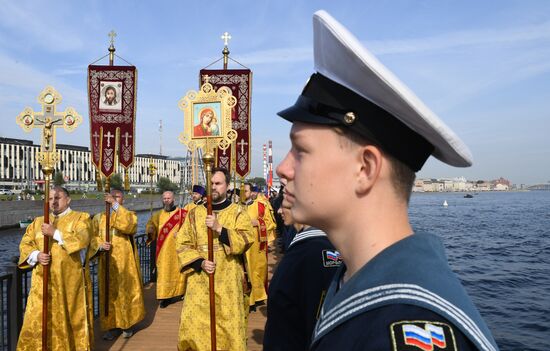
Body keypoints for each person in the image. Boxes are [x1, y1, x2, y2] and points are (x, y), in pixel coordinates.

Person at [275, 10, 499, 351]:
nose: (282, 169)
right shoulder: (361, 286)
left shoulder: (399, 330)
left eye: (300, 151)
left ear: (365, 169)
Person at [176, 167, 255, 351]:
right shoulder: (194, 213)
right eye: (211, 183)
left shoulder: (237, 212)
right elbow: (182, 243)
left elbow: (247, 239)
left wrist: (220, 229)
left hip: (228, 279)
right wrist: (200, 262)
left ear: (227, 186)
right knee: (194, 326)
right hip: (200, 278)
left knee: (228, 326)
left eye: (218, 183)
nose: (214, 187)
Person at [17, 186, 94, 350]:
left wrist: (55, 233)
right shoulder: (38, 222)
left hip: (69, 284)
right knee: (38, 322)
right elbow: (25, 244)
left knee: (68, 321)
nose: (54, 202)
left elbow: (82, 239)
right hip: (41, 284)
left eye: (58, 198)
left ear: (68, 200)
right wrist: (36, 255)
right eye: (50, 199)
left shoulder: (81, 218)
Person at [263, 204, 341, 350]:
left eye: (285, 203)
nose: (279, 210)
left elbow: (315, 317)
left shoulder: (311, 252)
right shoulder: (304, 248)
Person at [90, 190, 145, 340]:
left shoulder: (129, 214)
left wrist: (114, 205)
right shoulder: (98, 218)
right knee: (109, 295)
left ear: (123, 200)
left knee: (125, 293)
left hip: (124, 263)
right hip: (106, 262)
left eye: (117, 197)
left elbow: (129, 226)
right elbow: (91, 237)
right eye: (111, 197)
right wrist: (100, 245)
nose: (113, 199)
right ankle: (111, 326)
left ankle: (127, 324)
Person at [146, 191, 186, 308]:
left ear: (173, 199)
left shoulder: (182, 214)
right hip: (163, 251)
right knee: (163, 273)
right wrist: (150, 229)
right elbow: (150, 224)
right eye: (164, 198)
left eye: (169, 198)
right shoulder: (158, 215)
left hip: (177, 250)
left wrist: (180, 234)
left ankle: (179, 292)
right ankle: (164, 297)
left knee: (178, 272)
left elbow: (189, 230)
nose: (166, 200)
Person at [243, 182, 275, 310]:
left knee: (256, 269)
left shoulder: (261, 206)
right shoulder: (235, 207)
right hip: (241, 243)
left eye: (245, 191)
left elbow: (271, 223)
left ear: (251, 192)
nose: (243, 193)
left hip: (256, 245)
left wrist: (257, 222)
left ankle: (255, 297)